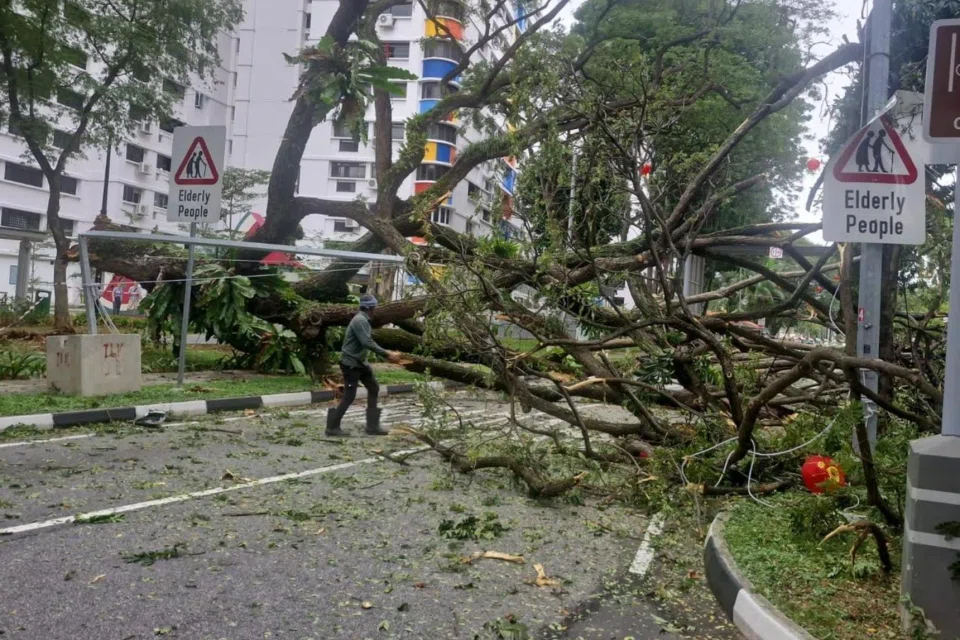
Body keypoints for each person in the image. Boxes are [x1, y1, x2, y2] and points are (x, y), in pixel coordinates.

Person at [326, 294, 402, 436]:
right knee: (349, 396)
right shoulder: (360, 320)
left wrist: (386, 353)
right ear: (371, 308)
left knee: (373, 388)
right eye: (374, 307)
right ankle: (332, 427)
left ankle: (372, 426)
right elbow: (366, 342)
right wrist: (387, 354)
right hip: (351, 364)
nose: (375, 309)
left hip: (360, 363)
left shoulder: (363, 319)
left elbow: (366, 343)